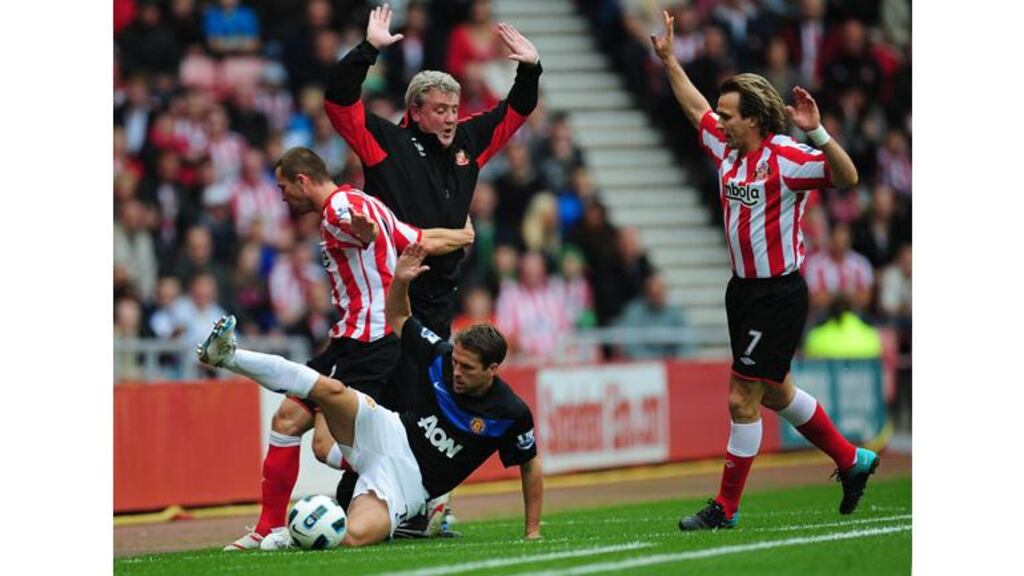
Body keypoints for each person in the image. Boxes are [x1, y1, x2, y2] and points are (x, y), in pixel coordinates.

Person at [650, 10, 880, 531]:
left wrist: (818, 131)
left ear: (754, 119)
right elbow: (695, 109)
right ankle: (852, 460)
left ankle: (725, 508)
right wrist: (668, 61)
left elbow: (847, 176)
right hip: (743, 291)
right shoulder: (727, 151)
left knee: (741, 396)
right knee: (774, 392)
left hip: (779, 292)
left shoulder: (787, 158)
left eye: (730, 115)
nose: (721, 121)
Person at [323, 3, 541, 528]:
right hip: (386, 299)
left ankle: (414, 505)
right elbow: (338, 103)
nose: (450, 117)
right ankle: (346, 499)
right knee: (371, 406)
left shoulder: (469, 144)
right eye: (440, 109)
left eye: (454, 107)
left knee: (419, 412)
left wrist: (530, 68)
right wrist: (369, 48)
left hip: (438, 302)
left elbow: (515, 112)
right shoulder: (386, 144)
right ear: (416, 110)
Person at [199, 241, 542, 547]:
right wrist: (402, 280)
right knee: (332, 390)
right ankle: (228, 356)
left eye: (468, 367)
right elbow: (397, 317)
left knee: (353, 537)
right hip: (388, 432)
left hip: (407, 483)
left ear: (492, 368)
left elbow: (530, 467)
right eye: (456, 362)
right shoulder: (440, 355)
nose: (457, 371)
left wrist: (532, 530)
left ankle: (288, 535)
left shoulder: (510, 412)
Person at [224, 147, 474, 551]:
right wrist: (463, 235)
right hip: (349, 339)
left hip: (369, 342)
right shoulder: (367, 203)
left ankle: (418, 486)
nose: (283, 196)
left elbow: (362, 231)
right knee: (287, 420)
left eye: (284, 186)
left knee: (324, 446)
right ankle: (266, 528)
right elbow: (419, 240)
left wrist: (366, 232)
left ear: (303, 180)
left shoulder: (339, 210)